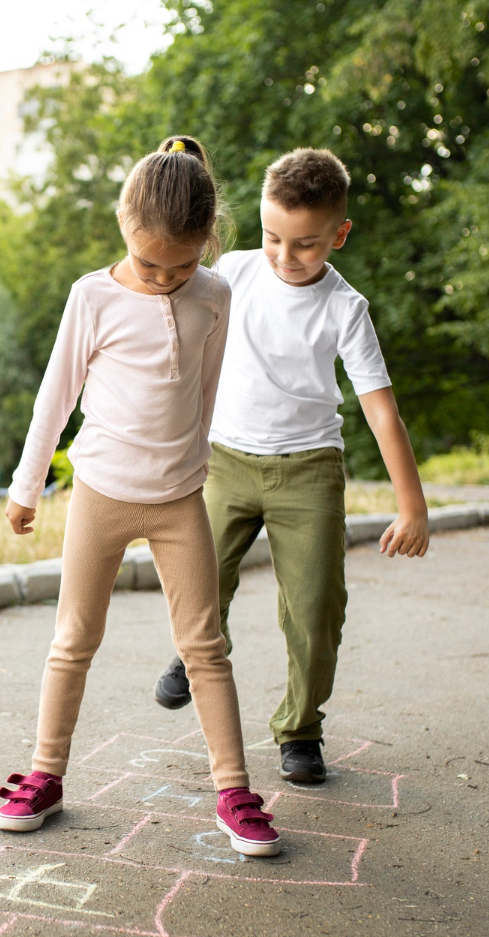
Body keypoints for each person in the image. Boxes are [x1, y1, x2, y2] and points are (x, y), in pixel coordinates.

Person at [0, 136, 279, 859]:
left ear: (207, 243)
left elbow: (208, 389)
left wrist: (201, 463)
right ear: (123, 223)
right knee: (72, 641)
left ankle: (234, 788)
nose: (162, 278)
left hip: (180, 497)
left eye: (180, 264)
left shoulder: (216, 292)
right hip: (100, 492)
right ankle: (46, 774)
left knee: (205, 646)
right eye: (149, 263)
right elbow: (53, 398)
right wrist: (28, 486)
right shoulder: (91, 296)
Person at [150, 148, 430, 785]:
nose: (285, 256)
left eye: (305, 244)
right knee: (200, 580)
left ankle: (301, 728)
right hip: (224, 460)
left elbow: (382, 413)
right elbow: (168, 306)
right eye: (273, 236)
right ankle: (194, 654)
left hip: (308, 470)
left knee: (315, 607)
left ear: (339, 235)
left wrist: (412, 506)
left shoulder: (345, 308)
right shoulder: (234, 271)